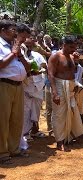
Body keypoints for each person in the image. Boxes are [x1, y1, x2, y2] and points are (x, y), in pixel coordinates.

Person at [0, 21, 31, 164]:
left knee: (17, 119)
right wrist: (13, 52)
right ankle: (2, 152)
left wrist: (20, 54)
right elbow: (1, 65)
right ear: (3, 30)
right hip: (4, 85)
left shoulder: (18, 47)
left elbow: (28, 68)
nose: (15, 33)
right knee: (2, 120)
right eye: (13, 30)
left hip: (19, 86)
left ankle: (14, 149)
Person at [48, 35, 83, 151]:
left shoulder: (72, 57)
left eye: (75, 47)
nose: (73, 49)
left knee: (71, 112)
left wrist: (76, 61)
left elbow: (73, 72)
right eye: (71, 47)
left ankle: (68, 137)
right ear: (64, 45)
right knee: (59, 115)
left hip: (70, 87)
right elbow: (51, 75)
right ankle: (59, 141)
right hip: (59, 87)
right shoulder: (56, 56)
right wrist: (54, 92)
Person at [19, 33, 47, 150]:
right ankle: (24, 135)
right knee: (25, 112)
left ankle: (33, 131)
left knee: (35, 111)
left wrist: (40, 70)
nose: (30, 41)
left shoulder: (37, 55)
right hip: (26, 87)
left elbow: (45, 66)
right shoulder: (20, 55)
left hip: (38, 86)